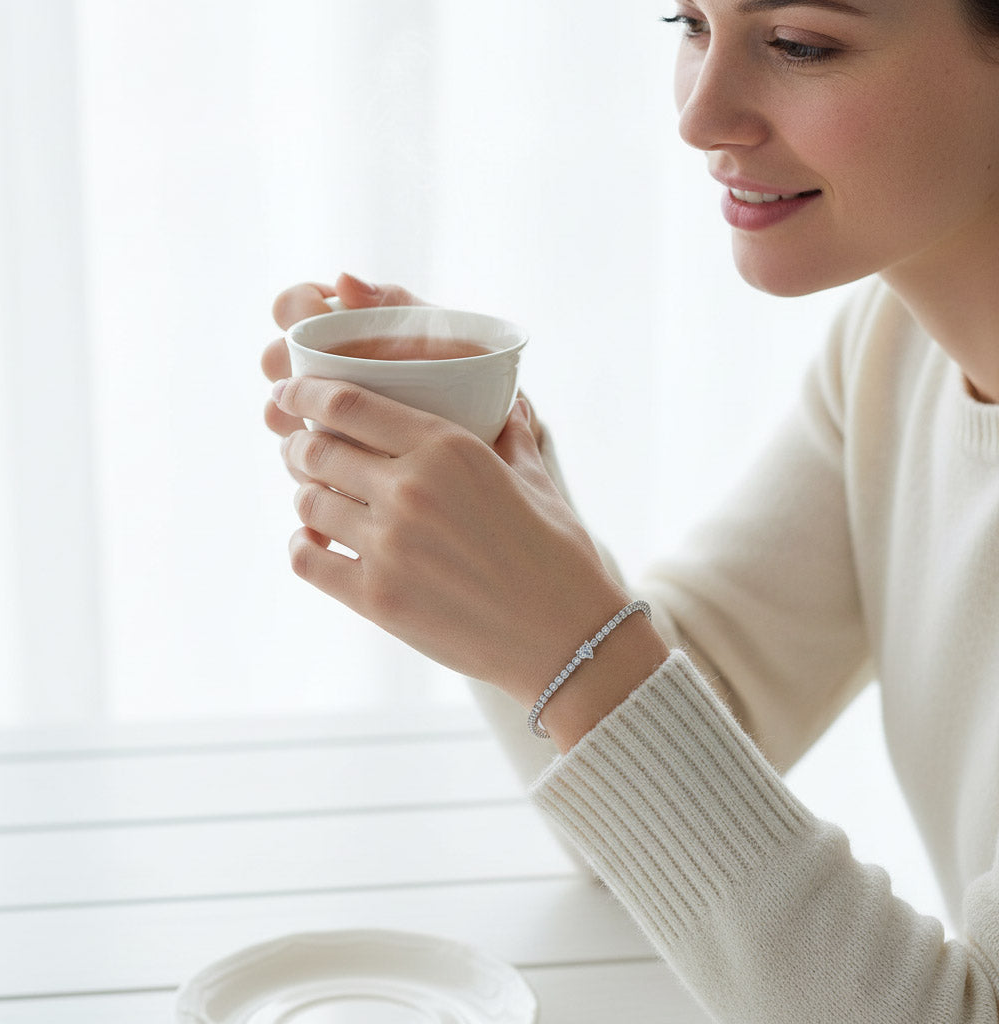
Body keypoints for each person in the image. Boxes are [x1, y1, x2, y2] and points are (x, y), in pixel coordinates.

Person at [261, 0, 999, 1019]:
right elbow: (664, 758)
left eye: (799, 43)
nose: (698, 118)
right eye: (689, 22)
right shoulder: (893, 350)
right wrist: (485, 470)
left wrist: (567, 644)